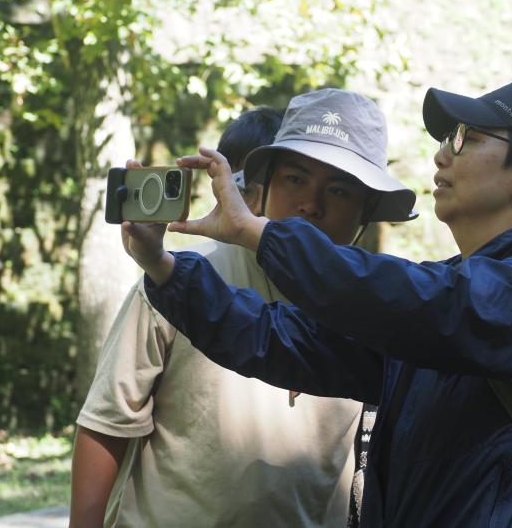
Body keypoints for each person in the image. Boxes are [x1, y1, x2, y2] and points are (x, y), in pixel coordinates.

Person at [124, 81, 512, 526]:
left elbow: (413, 300)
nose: (441, 153)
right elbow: (289, 341)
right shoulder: (453, 288)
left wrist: (258, 232)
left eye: (464, 138)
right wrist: (163, 267)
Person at [70, 93, 415, 528]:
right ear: (261, 188)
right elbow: (108, 421)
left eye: (340, 189)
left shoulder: (371, 308)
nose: (311, 203)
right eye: (295, 179)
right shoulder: (176, 278)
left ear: (365, 212)